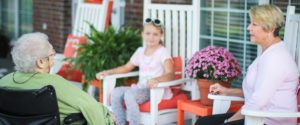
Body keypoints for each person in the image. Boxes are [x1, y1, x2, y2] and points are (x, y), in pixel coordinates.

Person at [195, 4, 299, 125]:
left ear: (270, 28)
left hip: (269, 121)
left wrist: (227, 122)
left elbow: (257, 102)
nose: (248, 28)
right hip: (258, 116)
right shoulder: (268, 53)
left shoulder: (276, 59)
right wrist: (227, 91)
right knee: (203, 122)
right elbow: (257, 91)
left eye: (254, 24)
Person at [0, 32, 114, 125]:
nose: (53, 60)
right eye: (52, 54)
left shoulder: (3, 82)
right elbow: (91, 107)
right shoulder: (54, 84)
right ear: (41, 62)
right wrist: (108, 117)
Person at [96, 18, 175, 125]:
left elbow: (171, 74)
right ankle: (120, 123)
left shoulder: (162, 52)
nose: (151, 37)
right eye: (148, 33)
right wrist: (108, 72)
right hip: (139, 88)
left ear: (161, 36)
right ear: (142, 34)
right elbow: (126, 68)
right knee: (116, 93)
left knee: (129, 95)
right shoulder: (140, 51)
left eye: (155, 34)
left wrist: (156, 80)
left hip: (154, 90)